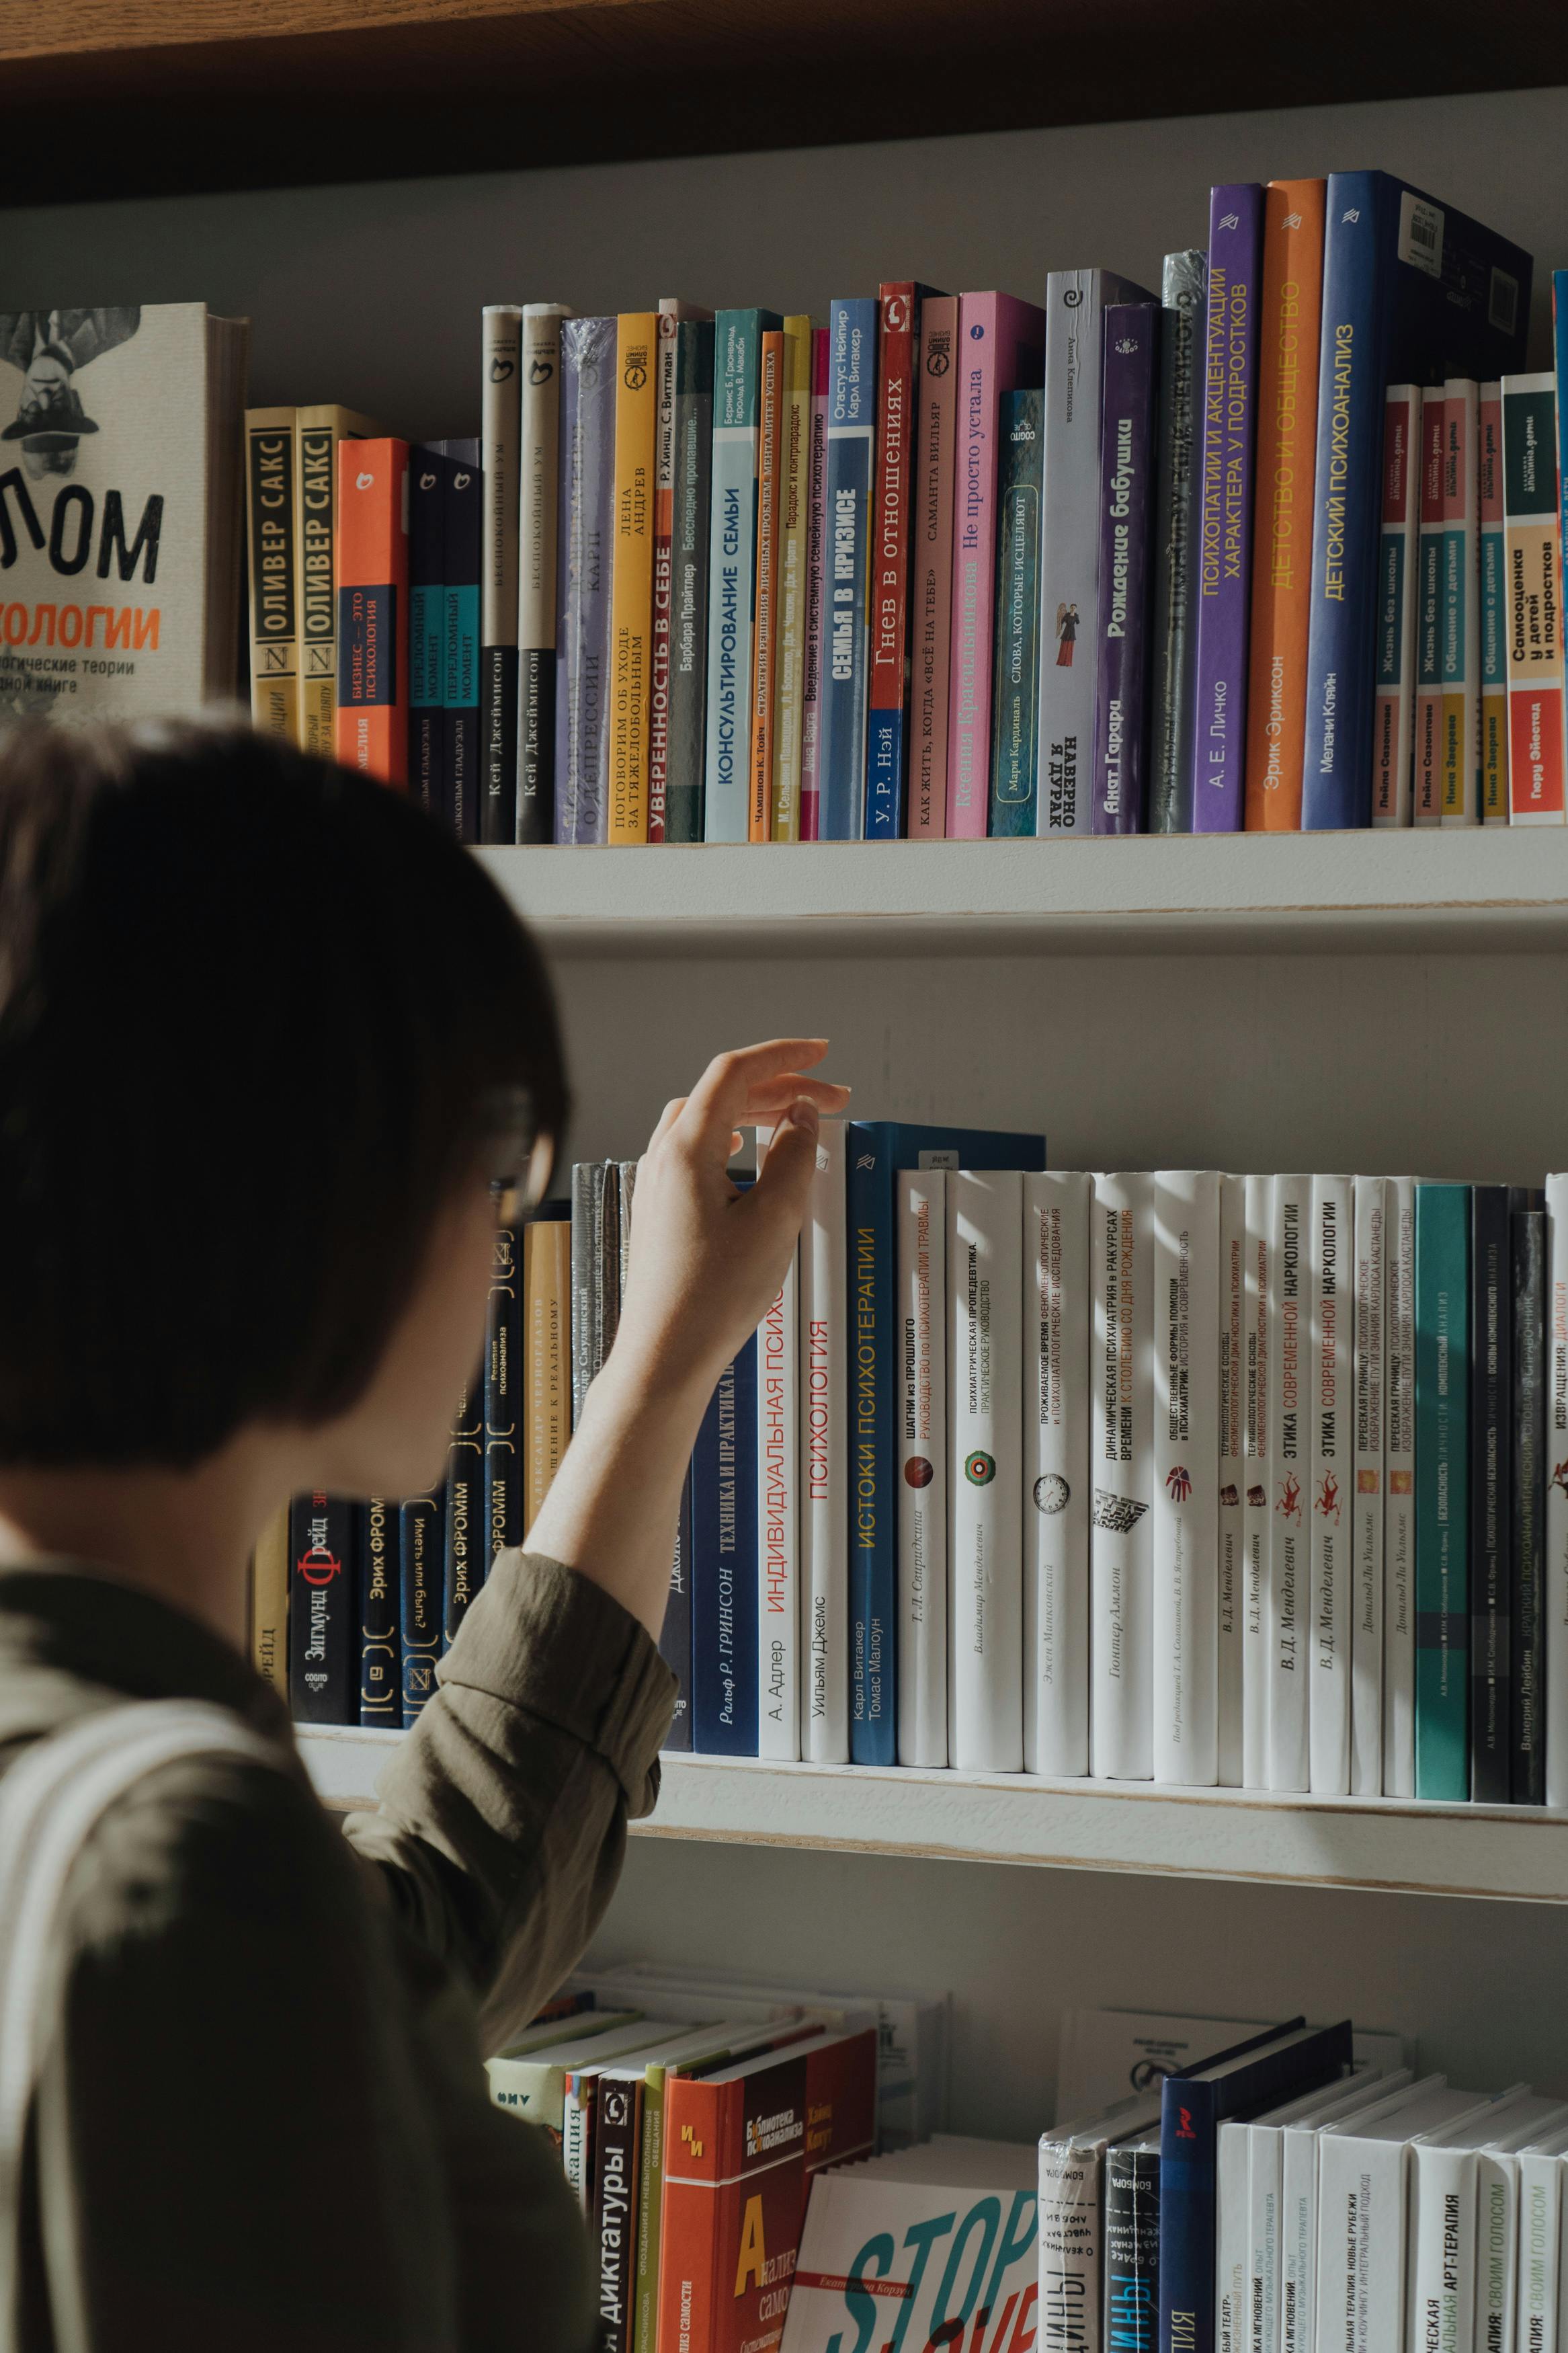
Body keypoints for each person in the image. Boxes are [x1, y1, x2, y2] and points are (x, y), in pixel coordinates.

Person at [0, 714, 848, 2351]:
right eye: (493, 1156)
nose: (507, 1227)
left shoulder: (122, 1808)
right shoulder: (182, 1884)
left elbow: (420, 1930)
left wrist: (659, 1371)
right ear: (305, 1186)